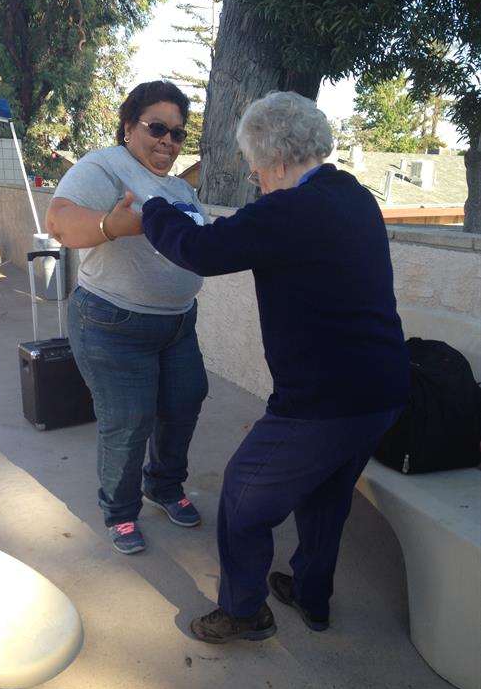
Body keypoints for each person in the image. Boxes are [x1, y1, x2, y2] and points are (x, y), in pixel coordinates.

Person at [112, 91, 410, 642]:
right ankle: (312, 596)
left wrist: (152, 208)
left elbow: (201, 250)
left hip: (324, 400)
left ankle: (245, 610)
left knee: (244, 498)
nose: (257, 182)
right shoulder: (354, 196)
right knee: (327, 494)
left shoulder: (290, 210)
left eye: (255, 172)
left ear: (275, 160)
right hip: (384, 389)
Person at [45, 81, 208, 555]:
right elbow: (59, 220)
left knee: (183, 404)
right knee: (128, 420)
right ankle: (119, 511)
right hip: (112, 323)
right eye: (157, 128)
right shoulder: (106, 165)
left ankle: (163, 484)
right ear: (129, 125)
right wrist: (108, 225)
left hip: (178, 324)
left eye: (178, 134)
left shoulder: (180, 188)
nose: (168, 142)